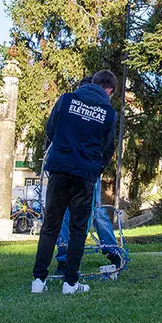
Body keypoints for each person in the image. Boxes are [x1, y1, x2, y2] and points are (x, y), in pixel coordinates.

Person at [32, 70, 118, 295]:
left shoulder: (66, 100)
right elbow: (108, 147)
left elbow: (51, 129)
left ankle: (38, 281)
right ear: (108, 90)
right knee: (78, 228)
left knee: (50, 225)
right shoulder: (109, 113)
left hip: (60, 169)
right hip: (85, 174)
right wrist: (96, 169)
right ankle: (70, 283)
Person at [54, 77, 122, 277]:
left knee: (92, 212)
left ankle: (109, 251)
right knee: (81, 212)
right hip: (75, 166)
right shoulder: (84, 105)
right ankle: (66, 256)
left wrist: (98, 166)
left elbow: (108, 144)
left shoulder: (98, 109)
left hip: (85, 168)